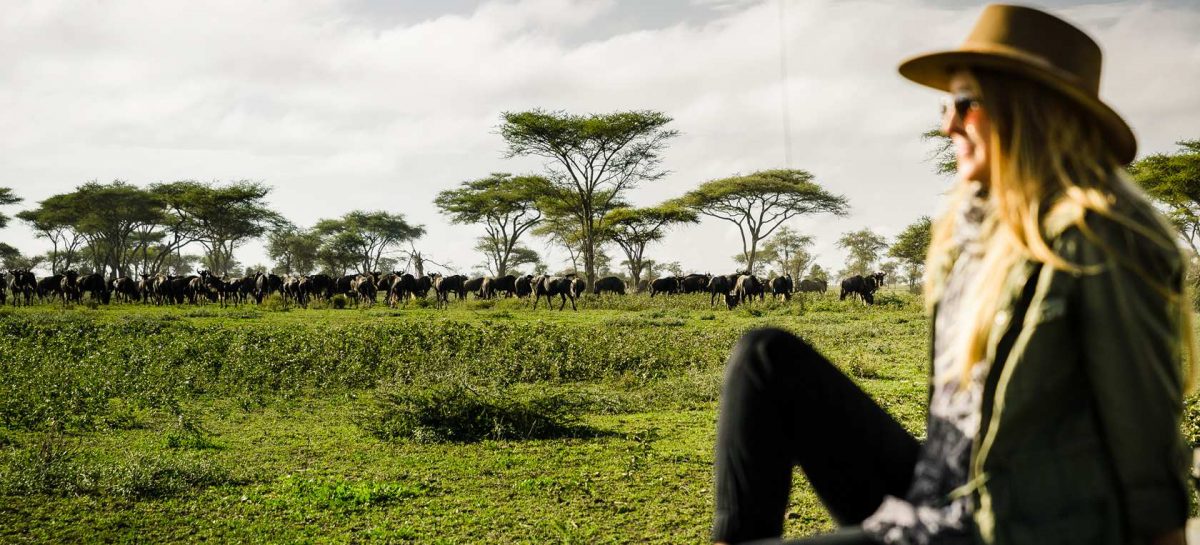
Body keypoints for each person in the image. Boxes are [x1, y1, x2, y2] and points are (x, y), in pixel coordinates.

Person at [711, 4, 1195, 545]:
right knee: (764, 357)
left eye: (965, 104)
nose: (947, 124)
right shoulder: (974, 236)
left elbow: (1145, 441)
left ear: (1028, 110)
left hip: (1010, 527)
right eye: (947, 104)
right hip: (940, 490)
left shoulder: (1102, 238)